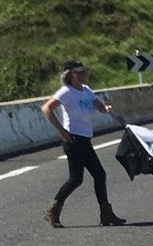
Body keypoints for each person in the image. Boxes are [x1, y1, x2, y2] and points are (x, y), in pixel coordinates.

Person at [41, 60, 124, 227]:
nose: (83, 74)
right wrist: (62, 131)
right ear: (70, 75)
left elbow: (99, 106)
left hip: (85, 139)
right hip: (73, 140)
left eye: (83, 71)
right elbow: (47, 108)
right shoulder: (67, 92)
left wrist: (105, 108)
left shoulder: (86, 90)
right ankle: (53, 210)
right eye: (79, 72)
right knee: (76, 179)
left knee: (99, 175)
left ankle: (106, 214)